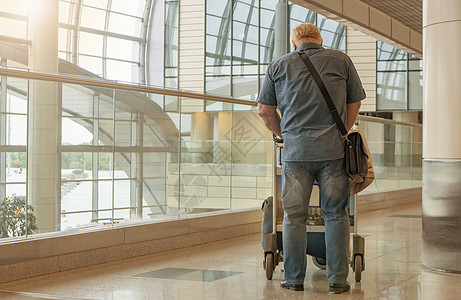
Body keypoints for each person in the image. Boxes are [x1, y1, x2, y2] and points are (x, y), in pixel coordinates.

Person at [256, 23, 365, 294]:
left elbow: (264, 110)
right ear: (320, 40)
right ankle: (338, 280)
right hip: (333, 153)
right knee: (336, 214)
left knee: (294, 217)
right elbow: (355, 103)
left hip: (296, 154)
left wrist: (286, 135)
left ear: (294, 44)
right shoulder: (341, 60)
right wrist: (342, 131)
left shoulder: (278, 65)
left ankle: (294, 280)